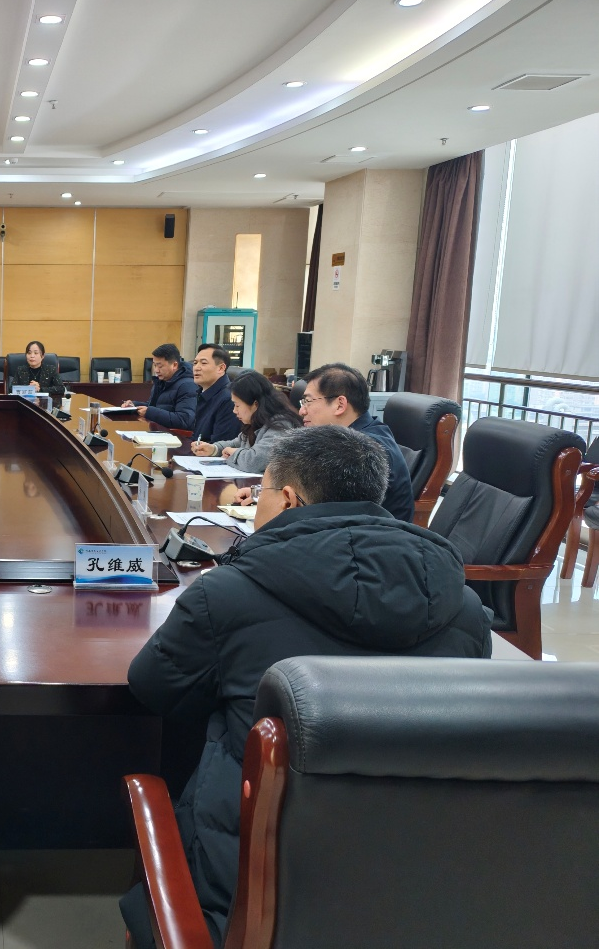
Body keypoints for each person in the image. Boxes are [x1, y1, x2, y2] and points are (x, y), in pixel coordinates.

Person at [122, 425, 491, 949]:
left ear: (288, 499)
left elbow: (153, 687)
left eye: (263, 491)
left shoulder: (226, 594)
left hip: (252, 893)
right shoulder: (465, 608)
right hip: (419, 888)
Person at [297, 362, 415, 522]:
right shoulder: (356, 435)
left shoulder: (362, 450)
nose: (302, 411)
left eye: (308, 401)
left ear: (340, 405)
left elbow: (331, 513)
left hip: (374, 534)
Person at [189, 370, 300, 473]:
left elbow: (254, 462)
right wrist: (214, 449)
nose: (234, 410)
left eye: (237, 405)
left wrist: (233, 453)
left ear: (255, 404)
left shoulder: (281, 425)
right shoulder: (256, 421)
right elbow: (237, 443)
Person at [122, 342, 197, 429]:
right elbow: (155, 406)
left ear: (174, 365)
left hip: (175, 435)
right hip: (159, 431)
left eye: (160, 366)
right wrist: (134, 405)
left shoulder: (187, 385)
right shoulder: (162, 381)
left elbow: (184, 420)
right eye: (154, 365)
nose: (156, 370)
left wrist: (150, 412)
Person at [190, 343, 240, 443]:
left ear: (221, 368)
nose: (196, 368)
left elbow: (222, 445)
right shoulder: (202, 393)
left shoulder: (229, 399)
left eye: (203, 363)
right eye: (195, 363)